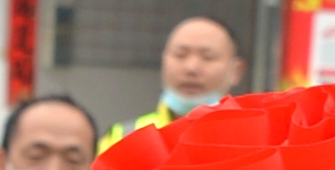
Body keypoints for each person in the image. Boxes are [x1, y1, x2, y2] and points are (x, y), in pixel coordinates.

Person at [104, 13, 245, 149]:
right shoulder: (122, 138)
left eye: (207, 57)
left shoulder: (250, 139)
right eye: (180, 55)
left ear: (236, 71)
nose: (191, 68)